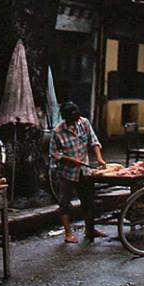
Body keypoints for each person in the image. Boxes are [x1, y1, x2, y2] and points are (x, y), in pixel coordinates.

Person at [50, 101, 107, 244]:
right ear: (65, 118)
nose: (74, 123)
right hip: (67, 173)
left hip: (84, 170)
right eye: (71, 120)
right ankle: (68, 233)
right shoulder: (57, 131)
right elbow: (54, 153)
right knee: (65, 203)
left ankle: (89, 229)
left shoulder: (84, 123)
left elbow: (94, 141)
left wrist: (99, 159)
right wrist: (69, 159)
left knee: (88, 200)